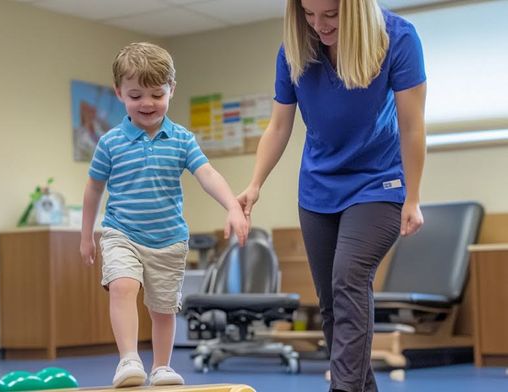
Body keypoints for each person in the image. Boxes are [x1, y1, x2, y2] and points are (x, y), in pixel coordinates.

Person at [238, 1, 426, 391]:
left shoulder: (398, 38)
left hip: (379, 183)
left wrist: (414, 197)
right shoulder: (294, 49)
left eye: (331, 15)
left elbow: (411, 127)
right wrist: (254, 184)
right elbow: (278, 126)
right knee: (331, 306)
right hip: (319, 189)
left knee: (349, 279)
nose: (318, 25)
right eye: (308, 14)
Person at [80, 42, 249, 388]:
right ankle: (128, 358)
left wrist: (232, 205)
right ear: (119, 93)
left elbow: (208, 176)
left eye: (157, 94)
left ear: (172, 90)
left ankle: (161, 366)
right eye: (136, 94)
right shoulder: (110, 143)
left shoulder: (182, 139)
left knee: (163, 308)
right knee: (123, 287)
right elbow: (93, 189)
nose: (147, 103)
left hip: (169, 239)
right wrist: (86, 236)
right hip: (121, 232)